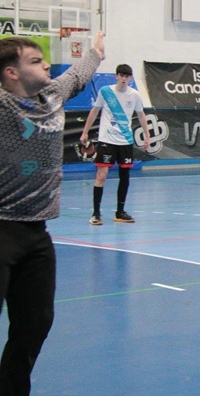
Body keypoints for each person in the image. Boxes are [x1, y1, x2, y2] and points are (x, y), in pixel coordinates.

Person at [0, 31, 105, 395]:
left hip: (36, 234)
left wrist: (94, 53)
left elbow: (75, 77)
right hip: (1, 229)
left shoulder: (51, 97)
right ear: (11, 73)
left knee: (35, 324)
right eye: (34, 60)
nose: (46, 64)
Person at [80, 64, 150, 225]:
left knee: (124, 177)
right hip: (107, 141)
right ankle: (96, 213)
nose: (124, 79)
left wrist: (147, 135)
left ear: (130, 78)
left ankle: (120, 212)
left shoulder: (135, 95)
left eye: (127, 76)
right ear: (116, 76)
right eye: (121, 75)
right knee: (102, 175)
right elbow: (94, 111)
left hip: (125, 141)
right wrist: (85, 132)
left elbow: (141, 115)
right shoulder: (106, 92)